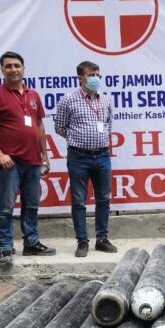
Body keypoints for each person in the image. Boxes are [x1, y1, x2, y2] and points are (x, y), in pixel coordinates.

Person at [0, 51, 56, 266]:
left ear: (23, 68)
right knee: (6, 207)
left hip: (33, 161)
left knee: (31, 205)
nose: (13, 69)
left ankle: (31, 243)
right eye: (8, 66)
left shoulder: (33, 95)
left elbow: (40, 125)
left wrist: (45, 155)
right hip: (9, 161)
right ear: (2, 70)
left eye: (17, 65)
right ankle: (4, 246)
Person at [54, 60, 117, 257]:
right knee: (79, 201)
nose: (96, 78)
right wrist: (79, 141)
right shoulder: (68, 100)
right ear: (80, 78)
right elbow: (60, 127)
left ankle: (102, 239)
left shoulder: (105, 100)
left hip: (102, 156)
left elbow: (108, 125)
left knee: (103, 199)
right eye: (92, 75)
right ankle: (82, 241)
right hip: (78, 157)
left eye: (98, 74)